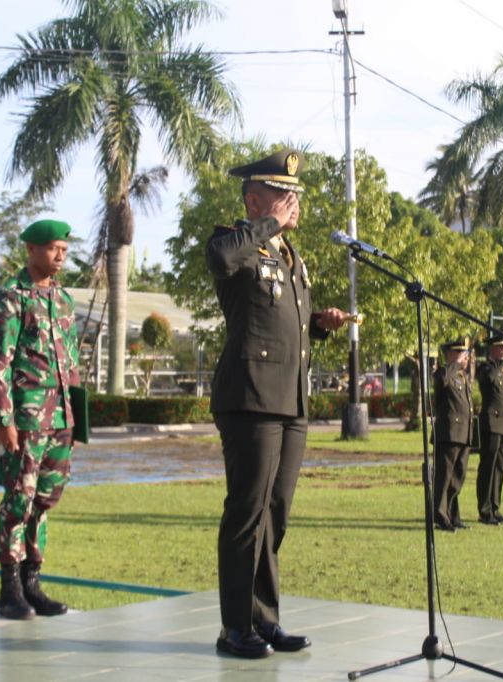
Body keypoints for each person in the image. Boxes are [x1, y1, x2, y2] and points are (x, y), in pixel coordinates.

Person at [205, 149, 348, 659]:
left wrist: (321, 326)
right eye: (283, 195)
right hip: (249, 398)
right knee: (247, 511)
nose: (293, 203)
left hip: (290, 399)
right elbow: (221, 262)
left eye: (296, 196)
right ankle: (233, 627)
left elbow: (287, 328)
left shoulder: (289, 256)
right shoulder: (236, 241)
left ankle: (264, 621)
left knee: (276, 512)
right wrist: (267, 224)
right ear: (254, 198)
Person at [0, 219, 80, 620]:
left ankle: (32, 582)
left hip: (61, 418)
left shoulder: (63, 300)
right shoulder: (11, 297)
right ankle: (9, 589)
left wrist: (78, 420)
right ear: (31, 250)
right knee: (17, 500)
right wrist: (3, 419)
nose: (60, 255)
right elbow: (1, 363)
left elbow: (72, 364)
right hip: (26, 418)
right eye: (52, 248)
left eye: (63, 248)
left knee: (44, 499)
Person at [432, 337, 474, 532]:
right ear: (449, 355)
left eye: (464, 353)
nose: (463, 357)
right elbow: (441, 381)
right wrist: (454, 364)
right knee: (444, 477)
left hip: (463, 433)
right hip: (448, 433)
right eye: (459, 353)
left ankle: (453, 514)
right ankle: (440, 516)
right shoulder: (444, 373)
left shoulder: (462, 376)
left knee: (458, 476)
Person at [476, 333, 503, 525]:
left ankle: (495, 507)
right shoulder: (486, 367)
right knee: (488, 468)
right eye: (502, 348)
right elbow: (488, 378)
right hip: (491, 424)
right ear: (493, 350)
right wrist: (500, 363)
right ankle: (484, 511)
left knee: (500, 468)